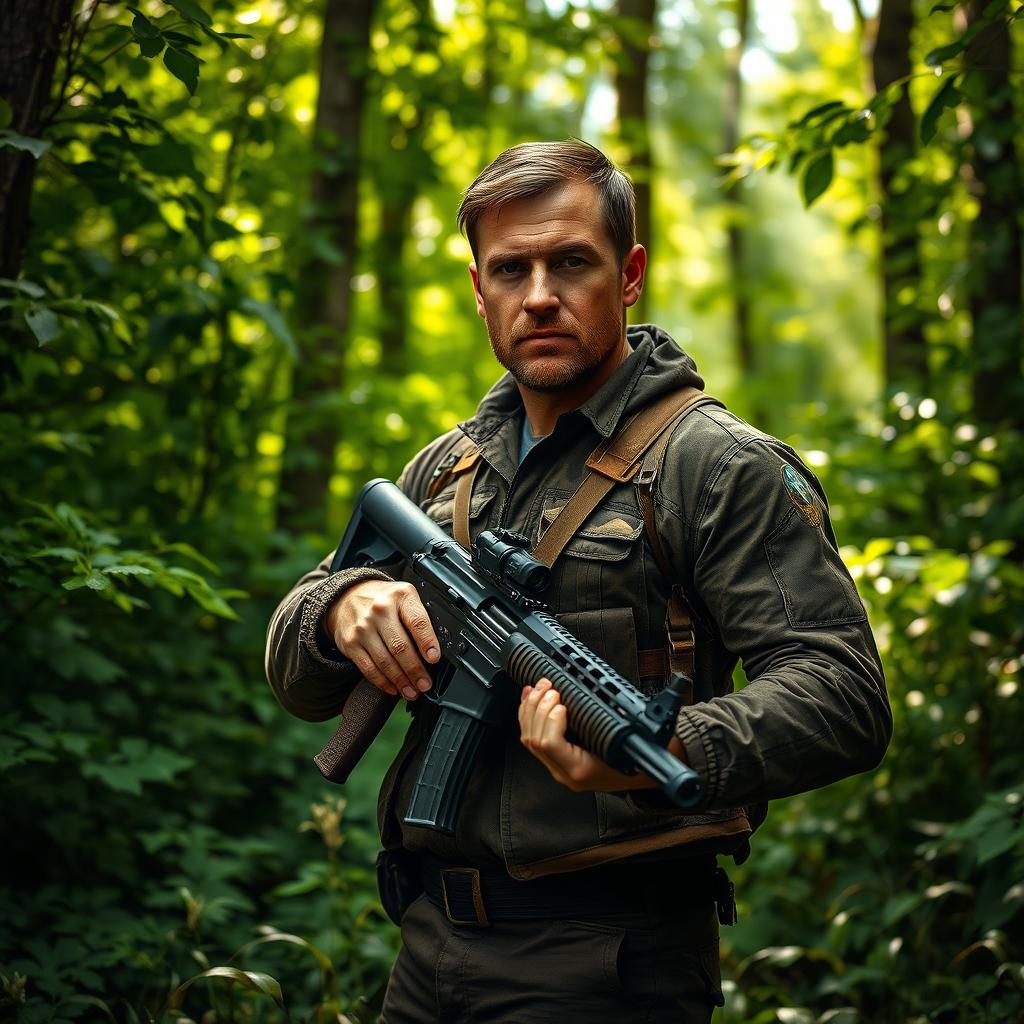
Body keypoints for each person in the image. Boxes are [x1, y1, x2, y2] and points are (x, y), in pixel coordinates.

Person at [265, 140, 892, 1023]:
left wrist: (660, 754)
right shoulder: (448, 470)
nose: (541, 295)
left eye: (572, 263)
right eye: (510, 269)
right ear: (480, 289)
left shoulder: (715, 466)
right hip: (424, 950)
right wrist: (341, 607)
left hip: (609, 966)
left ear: (629, 274)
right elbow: (297, 680)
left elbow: (844, 696)